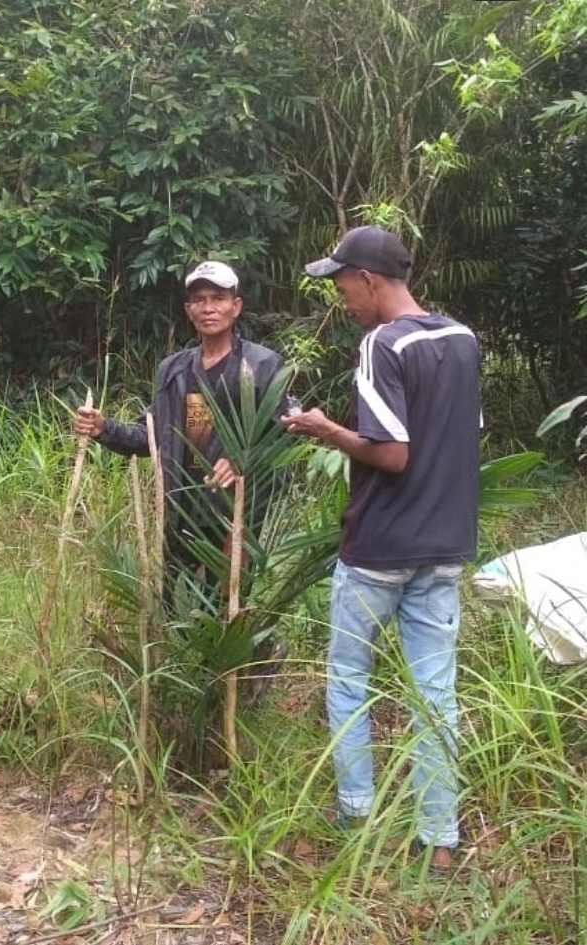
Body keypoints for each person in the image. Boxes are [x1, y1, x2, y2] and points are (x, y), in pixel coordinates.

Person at [284, 225, 481, 870]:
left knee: (348, 681)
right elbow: (457, 435)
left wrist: (323, 428)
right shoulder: (462, 339)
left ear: (368, 279)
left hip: (379, 549)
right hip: (445, 545)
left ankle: (357, 813)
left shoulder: (381, 344)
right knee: (435, 695)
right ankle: (439, 840)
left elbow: (392, 453)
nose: (341, 295)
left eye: (341, 282)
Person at [75, 260, 289, 701]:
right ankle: (195, 692)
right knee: (175, 602)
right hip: (180, 507)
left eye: (218, 299)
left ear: (236, 306)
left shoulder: (261, 366)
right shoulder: (173, 371)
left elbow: (287, 428)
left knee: (229, 601)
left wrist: (244, 459)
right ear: (189, 310)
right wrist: (104, 429)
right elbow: (151, 435)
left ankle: (252, 669)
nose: (208, 307)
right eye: (199, 300)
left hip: (235, 512)